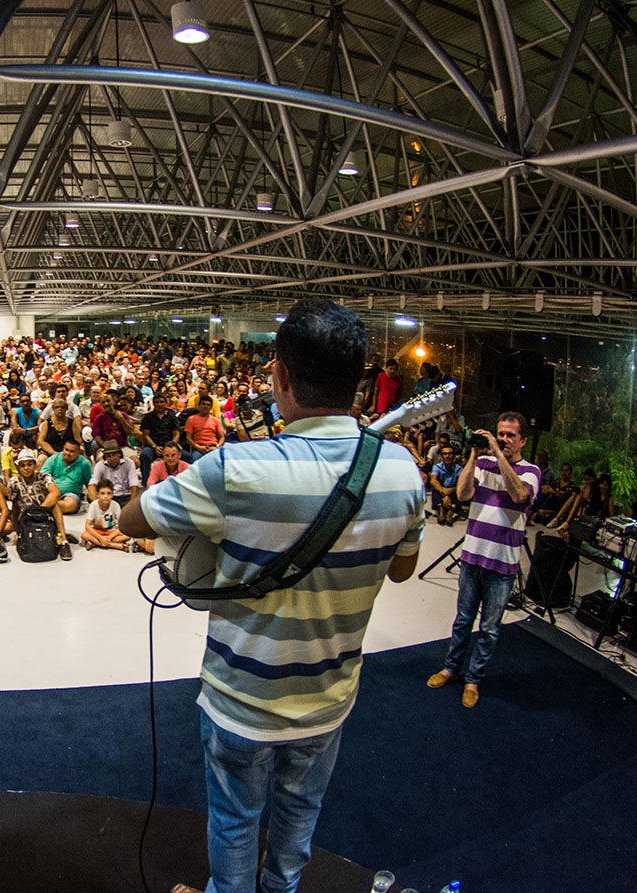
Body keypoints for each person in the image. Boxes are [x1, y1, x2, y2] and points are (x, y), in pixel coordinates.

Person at [119, 301, 425, 893]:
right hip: (329, 696)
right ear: (361, 381)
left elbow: (135, 519)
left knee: (235, 823)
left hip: (242, 699)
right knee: (297, 822)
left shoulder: (236, 467)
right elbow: (405, 570)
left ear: (280, 376)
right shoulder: (401, 470)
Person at [427, 411, 539, 709]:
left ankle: (473, 679)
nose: (503, 439)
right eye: (500, 433)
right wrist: (475, 456)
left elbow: (518, 495)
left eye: (509, 435)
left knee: (489, 629)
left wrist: (498, 455)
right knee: (463, 619)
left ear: (522, 441)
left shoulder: (531, 471)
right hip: (472, 557)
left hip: (502, 564)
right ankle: (452, 668)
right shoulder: (483, 463)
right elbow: (463, 494)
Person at [5, 449, 72, 560]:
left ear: (35, 465)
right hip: (27, 518)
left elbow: (55, 493)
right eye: (23, 465)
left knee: (55, 505)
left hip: (45, 514)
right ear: (19, 467)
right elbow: (15, 506)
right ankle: (55, 533)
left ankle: (64, 542)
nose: (26, 468)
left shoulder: (44, 477)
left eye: (29, 464)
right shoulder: (13, 482)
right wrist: (17, 531)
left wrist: (40, 511)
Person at [40, 439, 92, 515]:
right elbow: (42, 477)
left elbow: (89, 483)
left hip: (70, 495)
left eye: (72, 451)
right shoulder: (53, 459)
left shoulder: (85, 464)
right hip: (50, 493)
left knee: (71, 503)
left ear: (78, 453)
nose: (68, 453)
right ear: (63, 448)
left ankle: (42, 510)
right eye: (66, 450)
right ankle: (46, 509)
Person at [81, 481, 132, 551]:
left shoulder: (115, 505)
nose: (105, 496)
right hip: (98, 530)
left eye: (109, 493)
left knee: (127, 535)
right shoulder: (93, 505)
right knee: (84, 535)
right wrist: (101, 538)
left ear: (112, 495)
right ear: (97, 495)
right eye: (102, 493)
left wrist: (110, 537)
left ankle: (95, 543)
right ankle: (114, 545)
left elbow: (122, 525)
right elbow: (87, 526)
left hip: (111, 530)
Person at [429, 444, 463, 526]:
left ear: (454, 456)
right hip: (442, 491)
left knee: (459, 491)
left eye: (450, 454)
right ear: (441, 456)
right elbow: (433, 481)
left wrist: (450, 490)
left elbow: (461, 484)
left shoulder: (459, 469)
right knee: (435, 490)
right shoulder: (437, 467)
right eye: (445, 454)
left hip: (452, 492)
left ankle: (451, 511)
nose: (447, 456)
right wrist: (443, 492)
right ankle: (440, 510)